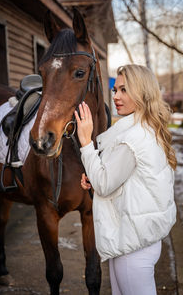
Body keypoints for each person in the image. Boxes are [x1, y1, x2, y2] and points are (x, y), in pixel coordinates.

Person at [74, 64, 177, 295]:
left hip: (133, 245)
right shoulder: (145, 127)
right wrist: (96, 173)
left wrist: (86, 143)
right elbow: (116, 177)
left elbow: (104, 184)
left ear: (141, 93)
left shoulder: (132, 138)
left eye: (124, 90)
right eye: (115, 90)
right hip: (138, 237)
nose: (116, 96)